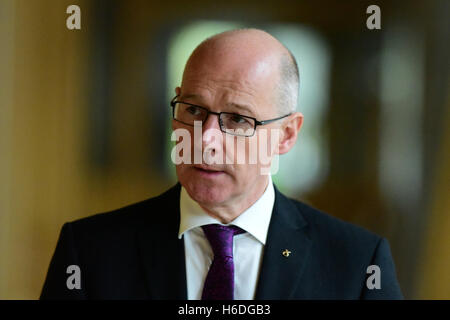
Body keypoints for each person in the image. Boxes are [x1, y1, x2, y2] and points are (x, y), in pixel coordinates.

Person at [40, 28, 403, 299]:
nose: (206, 139)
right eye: (193, 110)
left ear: (287, 135)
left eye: (239, 119)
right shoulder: (89, 252)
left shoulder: (358, 263)